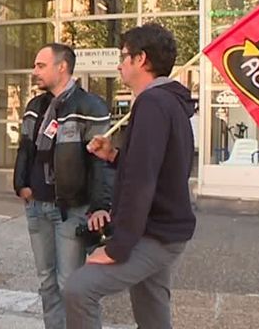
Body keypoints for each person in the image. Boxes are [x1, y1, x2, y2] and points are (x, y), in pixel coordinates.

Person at [63, 23, 197, 329]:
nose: (119, 63)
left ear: (142, 60)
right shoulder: (168, 103)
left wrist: (116, 247)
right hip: (166, 230)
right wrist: (114, 156)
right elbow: (158, 167)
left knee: (79, 289)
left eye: (124, 56)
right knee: (152, 310)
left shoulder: (153, 103)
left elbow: (142, 182)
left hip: (156, 234)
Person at [13, 43, 114, 329]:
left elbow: (100, 162)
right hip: (36, 207)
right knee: (46, 281)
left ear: (62, 67)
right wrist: (21, 185)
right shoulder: (35, 106)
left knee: (70, 283)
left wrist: (100, 206)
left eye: (40, 65)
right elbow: (25, 149)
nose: (34, 71)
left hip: (71, 209)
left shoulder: (90, 106)